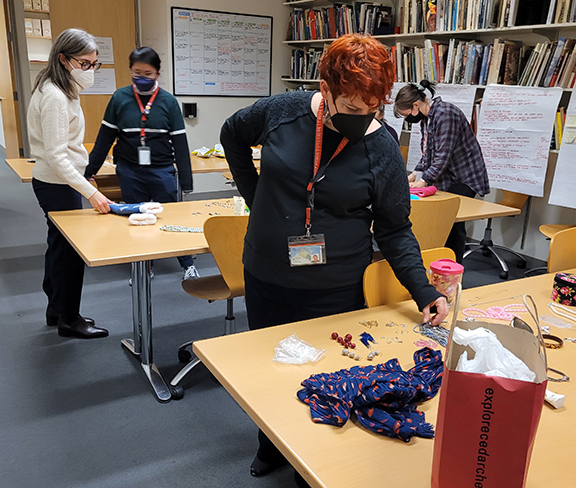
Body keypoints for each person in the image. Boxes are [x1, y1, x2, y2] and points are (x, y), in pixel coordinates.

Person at [220, 34, 448, 484]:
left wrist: (422, 291)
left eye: (372, 110)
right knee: (269, 371)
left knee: (332, 378)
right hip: (267, 273)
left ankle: (321, 462)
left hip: (337, 285)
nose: (362, 119)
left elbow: (395, 228)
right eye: (352, 108)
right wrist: (256, 195)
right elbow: (231, 133)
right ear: (324, 90)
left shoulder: (379, 145)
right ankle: (270, 444)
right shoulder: (280, 112)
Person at [85, 47, 198, 280]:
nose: (142, 78)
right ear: (130, 71)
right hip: (129, 170)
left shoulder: (168, 102)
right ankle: (145, 264)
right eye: (137, 73)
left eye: (148, 73)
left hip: (162, 169)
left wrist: (186, 182)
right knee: (136, 217)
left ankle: (187, 263)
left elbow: (180, 144)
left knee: (171, 216)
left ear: (157, 73)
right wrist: (87, 172)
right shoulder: (119, 98)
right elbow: (104, 139)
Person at [28, 28, 111, 339]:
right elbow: (57, 155)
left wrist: (83, 175)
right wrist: (91, 193)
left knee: (59, 247)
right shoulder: (54, 96)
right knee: (70, 253)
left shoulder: (63, 88)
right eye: (85, 63)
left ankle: (57, 310)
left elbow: (66, 150)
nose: (90, 70)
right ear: (63, 59)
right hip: (57, 183)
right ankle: (70, 320)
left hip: (60, 180)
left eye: (94, 64)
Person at [394, 80, 490, 263]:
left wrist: (422, 182)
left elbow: (443, 156)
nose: (407, 119)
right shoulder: (426, 118)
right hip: (447, 177)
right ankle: (437, 263)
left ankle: (452, 269)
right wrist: (413, 175)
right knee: (440, 222)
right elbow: (428, 152)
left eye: (406, 115)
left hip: (465, 177)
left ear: (415, 105)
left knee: (453, 224)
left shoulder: (446, 114)